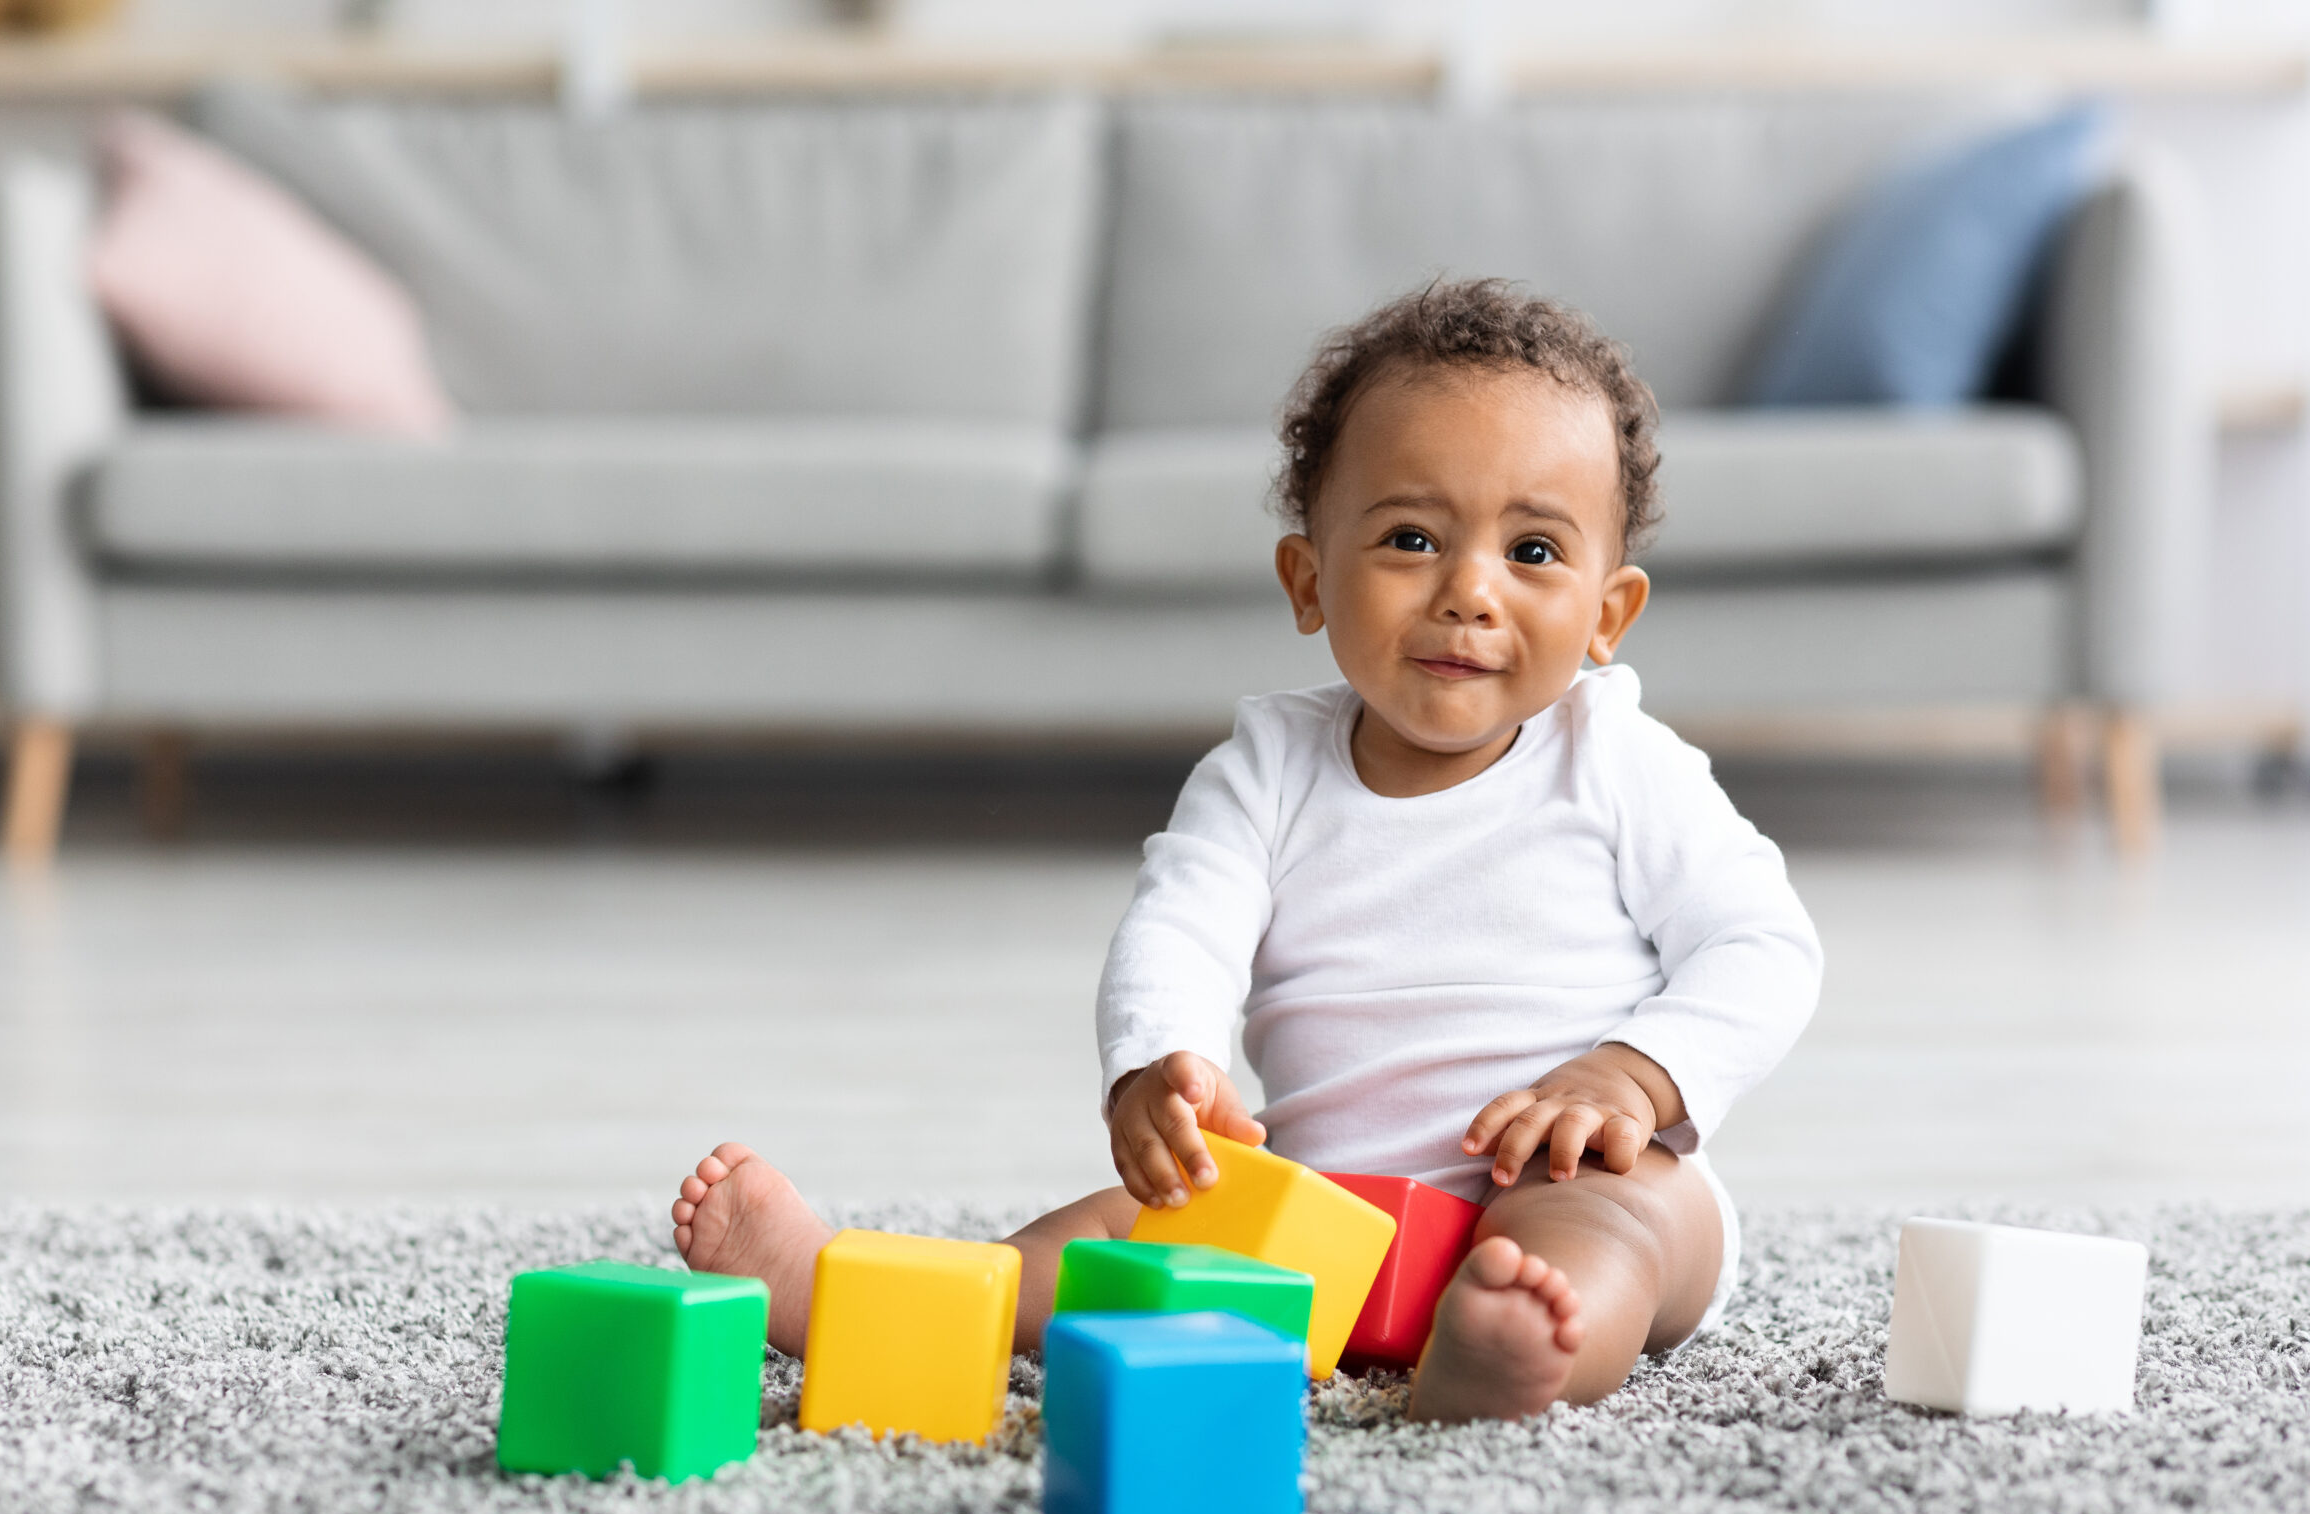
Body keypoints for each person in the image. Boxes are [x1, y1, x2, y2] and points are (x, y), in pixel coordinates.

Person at [669, 278, 1822, 1422]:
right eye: (1412, 538)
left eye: (1532, 552)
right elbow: (1179, 928)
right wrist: (1160, 1068)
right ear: (1309, 580)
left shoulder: (1617, 760)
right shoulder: (1266, 768)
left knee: (1609, 1237)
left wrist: (1632, 1076)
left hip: (1576, 1175)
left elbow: (1762, 945)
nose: (1469, 592)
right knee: (1116, 1236)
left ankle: (1510, 1355)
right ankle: (848, 1291)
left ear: (1608, 615)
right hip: (1324, 1219)